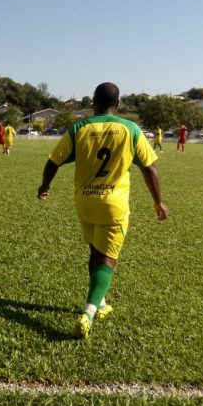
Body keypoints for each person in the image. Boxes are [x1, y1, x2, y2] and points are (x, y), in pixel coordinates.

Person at [37, 82, 168, 339]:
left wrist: (45, 185)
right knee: (107, 259)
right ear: (117, 104)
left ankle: (102, 302)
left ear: (93, 101)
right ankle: (88, 313)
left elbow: (53, 160)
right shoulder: (130, 129)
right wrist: (158, 201)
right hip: (113, 204)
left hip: (84, 202)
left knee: (95, 250)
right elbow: (150, 168)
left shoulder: (79, 128)